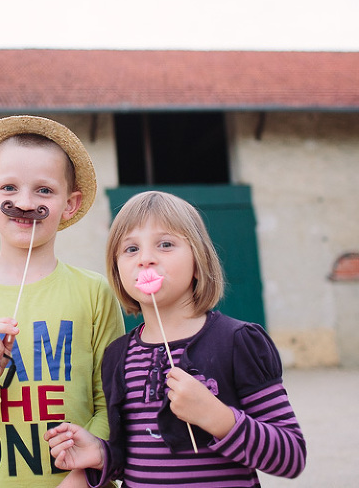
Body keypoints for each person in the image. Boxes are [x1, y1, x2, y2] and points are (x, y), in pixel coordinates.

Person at [44, 190, 307, 487]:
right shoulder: (118, 356)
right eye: (130, 249)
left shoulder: (237, 342)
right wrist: (100, 454)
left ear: (199, 259)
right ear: (117, 270)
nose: (146, 259)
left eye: (166, 244)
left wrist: (219, 418)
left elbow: (292, 456)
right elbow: (135, 459)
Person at [0, 115, 126, 487]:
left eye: (44, 191)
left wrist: (82, 471)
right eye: (9, 188)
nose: (24, 202)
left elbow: (113, 404)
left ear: (70, 203)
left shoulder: (94, 292)